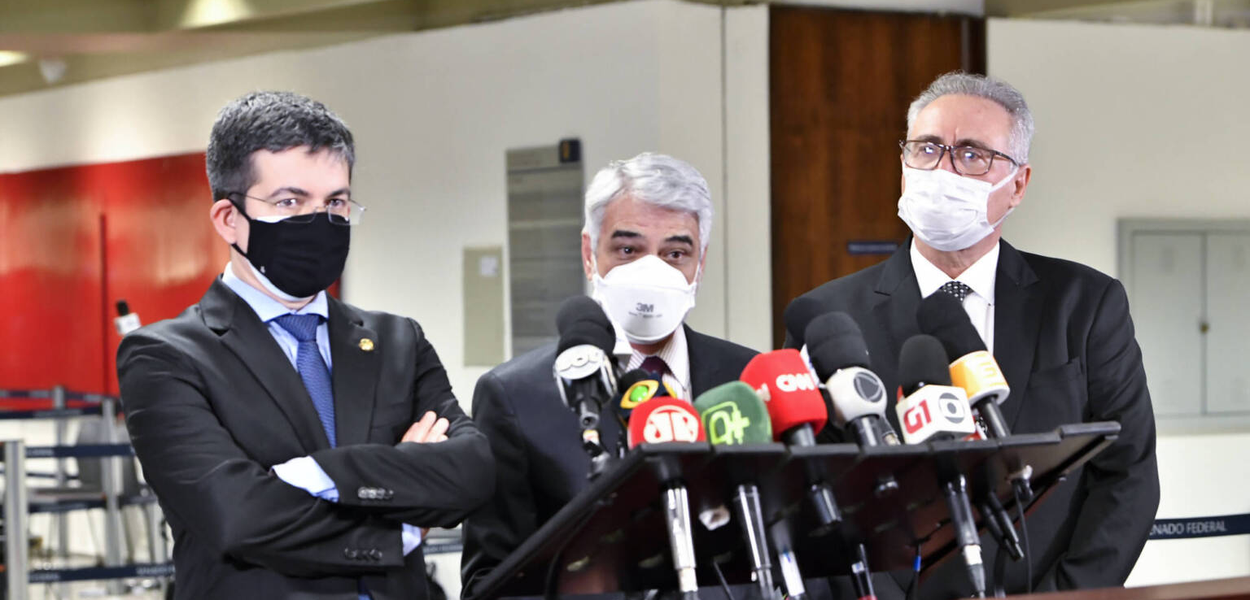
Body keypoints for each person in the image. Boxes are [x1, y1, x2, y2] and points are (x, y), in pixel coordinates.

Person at [786, 72, 1159, 597]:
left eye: (971, 154)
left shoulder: (1084, 304)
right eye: (927, 148)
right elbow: (806, 493)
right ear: (903, 165)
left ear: (1019, 184)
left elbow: (1128, 476)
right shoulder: (825, 316)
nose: (943, 169)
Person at [117, 91, 494, 599]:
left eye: (335, 202)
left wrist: (314, 475)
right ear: (228, 220)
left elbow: (470, 474)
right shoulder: (167, 357)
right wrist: (400, 522)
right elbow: (238, 518)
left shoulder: (397, 342)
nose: (321, 221)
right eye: (290, 202)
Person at [460, 152, 758, 596]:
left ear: (701, 262)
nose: (653, 271)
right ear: (589, 253)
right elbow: (491, 583)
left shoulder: (748, 380)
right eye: (628, 249)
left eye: (675, 253)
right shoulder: (514, 397)